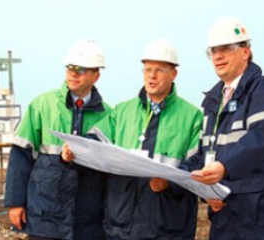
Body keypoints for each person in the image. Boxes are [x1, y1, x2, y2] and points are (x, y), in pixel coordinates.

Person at [62, 39, 202, 240]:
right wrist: (75, 151)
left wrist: (169, 184)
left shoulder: (191, 116)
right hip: (121, 224)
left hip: (168, 227)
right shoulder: (122, 112)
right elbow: (94, 140)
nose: (152, 76)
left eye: (159, 70)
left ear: (174, 74)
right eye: (147, 69)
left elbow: (196, 164)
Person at [184, 17, 264, 239]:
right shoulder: (213, 102)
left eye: (225, 49)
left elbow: (259, 138)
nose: (218, 56)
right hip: (225, 221)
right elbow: (204, 154)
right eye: (213, 51)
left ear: (245, 52)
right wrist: (204, 192)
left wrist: (223, 167)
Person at [4, 40, 112, 240]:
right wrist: (16, 203)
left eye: (80, 70)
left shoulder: (108, 116)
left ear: (96, 75)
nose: (73, 74)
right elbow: (20, 156)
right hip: (45, 215)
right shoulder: (42, 106)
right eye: (70, 68)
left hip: (88, 219)